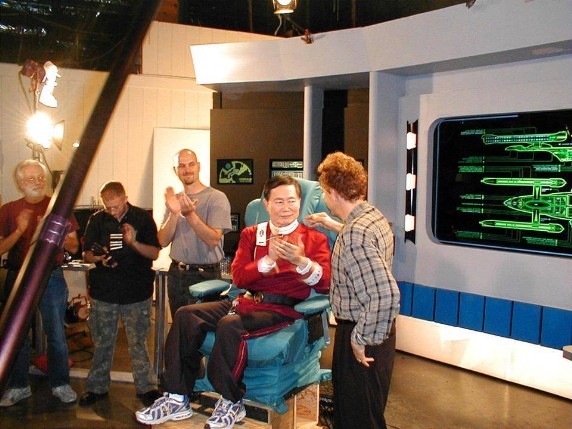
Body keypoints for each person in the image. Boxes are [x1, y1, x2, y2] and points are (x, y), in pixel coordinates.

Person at [135, 175, 331, 428]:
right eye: (279, 201)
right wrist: (267, 261)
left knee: (229, 325)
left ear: (300, 202)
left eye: (292, 201)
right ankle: (176, 397)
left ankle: (231, 400)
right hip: (245, 301)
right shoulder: (253, 234)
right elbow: (238, 276)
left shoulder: (313, 238)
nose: (286, 208)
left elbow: (325, 284)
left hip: (282, 308)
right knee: (186, 314)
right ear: (266, 204)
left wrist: (302, 262)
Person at [305, 152, 400, 429]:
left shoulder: (355, 234)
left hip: (362, 330)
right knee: (368, 413)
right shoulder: (372, 217)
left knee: (357, 418)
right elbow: (362, 239)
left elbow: (385, 295)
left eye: (324, 191)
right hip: (380, 331)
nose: (324, 196)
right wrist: (333, 225)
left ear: (333, 193)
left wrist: (359, 340)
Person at [0, 159, 79, 406]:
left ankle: (61, 384)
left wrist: (56, 232)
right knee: (18, 334)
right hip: (18, 278)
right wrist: (19, 230)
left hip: (50, 276)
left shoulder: (59, 208)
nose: (38, 182)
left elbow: (74, 246)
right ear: (20, 183)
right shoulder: (8, 210)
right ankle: (18, 386)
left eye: (41, 177)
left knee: (56, 332)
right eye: (31, 178)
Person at [78, 182, 162, 407]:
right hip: (105, 289)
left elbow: (154, 252)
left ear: (125, 198)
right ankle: (96, 387)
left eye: (116, 206)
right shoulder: (97, 220)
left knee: (138, 342)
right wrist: (99, 258)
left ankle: (146, 387)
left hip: (136, 289)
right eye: (108, 207)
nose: (112, 211)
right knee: (102, 341)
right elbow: (86, 254)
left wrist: (133, 242)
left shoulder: (142, 218)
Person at [158, 149, 232, 317]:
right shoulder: (174, 200)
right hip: (177, 275)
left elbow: (213, 240)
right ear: (175, 170)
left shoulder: (216, 198)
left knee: (204, 328)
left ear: (198, 166)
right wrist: (174, 213)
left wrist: (190, 215)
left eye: (191, 164)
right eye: (182, 166)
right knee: (180, 326)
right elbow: (162, 241)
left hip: (206, 276)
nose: (187, 170)